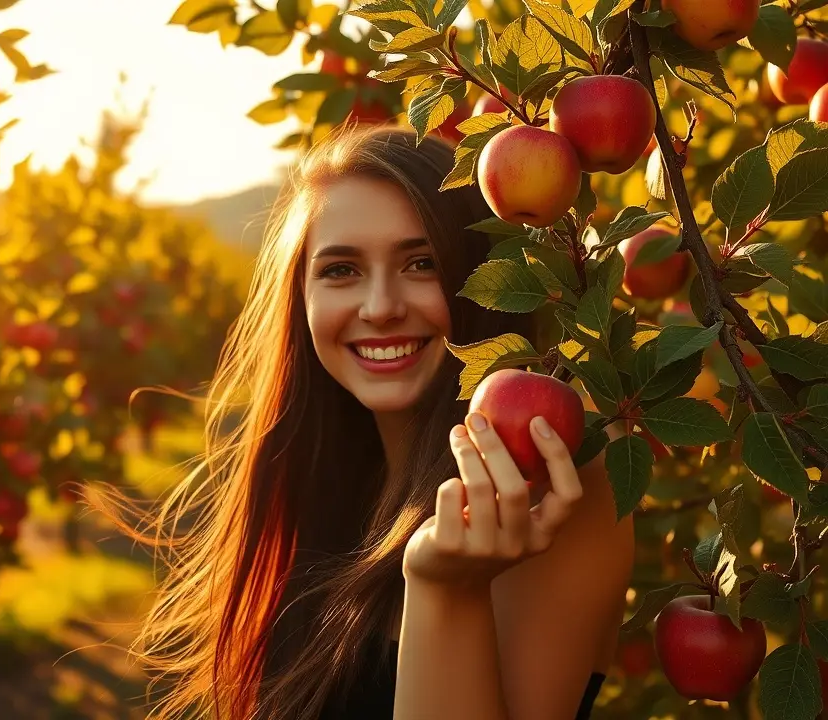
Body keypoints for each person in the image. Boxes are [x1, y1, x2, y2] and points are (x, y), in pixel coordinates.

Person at [87, 124, 635, 720]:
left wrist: (444, 586)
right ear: (301, 298)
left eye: (422, 263)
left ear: (488, 282)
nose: (380, 307)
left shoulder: (549, 473)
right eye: (341, 270)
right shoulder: (325, 482)